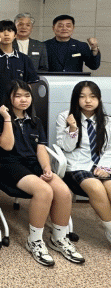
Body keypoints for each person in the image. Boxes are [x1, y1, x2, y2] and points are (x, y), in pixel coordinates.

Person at [0, 80, 84, 266]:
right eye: (18, 96)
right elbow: (7, 146)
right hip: (9, 165)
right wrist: (7, 118)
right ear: (9, 98)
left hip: (32, 164)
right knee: (44, 191)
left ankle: (59, 238)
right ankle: (34, 241)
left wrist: (47, 168)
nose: (23, 100)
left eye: (27, 95)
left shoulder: (35, 121)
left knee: (63, 192)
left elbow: (41, 148)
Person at [55, 80, 111, 245]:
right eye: (82, 97)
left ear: (99, 99)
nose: (88, 101)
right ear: (76, 99)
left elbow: (109, 149)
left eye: (92, 96)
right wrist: (73, 129)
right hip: (76, 166)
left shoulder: (107, 121)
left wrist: (104, 168)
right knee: (96, 187)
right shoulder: (65, 117)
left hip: (101, 166)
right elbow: (66, 147)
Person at [0, 20, 39, 114]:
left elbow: (30, 84)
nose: (6, 34)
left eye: (10, 31)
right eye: (2, 31)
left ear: (15, 35)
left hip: (17, 107)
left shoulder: (24, 58)